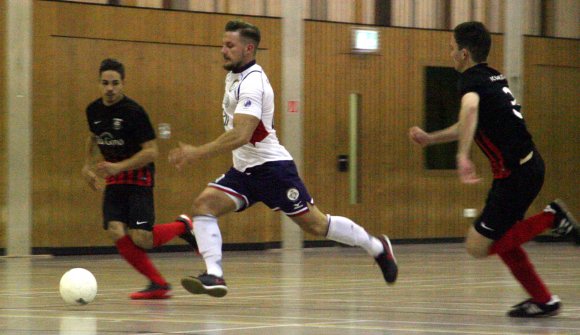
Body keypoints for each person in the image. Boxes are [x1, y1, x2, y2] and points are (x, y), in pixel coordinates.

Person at [168, 20, 398, 298]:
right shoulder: (234, 76)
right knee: (203, 205)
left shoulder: (254, 83)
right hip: (243, 171)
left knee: (316, 224)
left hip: (272, 170)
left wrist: (197, 152)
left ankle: (376, 247)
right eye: (223, 45)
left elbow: (242, 134)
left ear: (248, 48)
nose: (223, 50)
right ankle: (214, 275)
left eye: (230, 45)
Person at [409, 22, 578, 318]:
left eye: (451, 49)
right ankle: (543, 300)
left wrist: (462, 155)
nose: (450, 54)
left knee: (477, 246)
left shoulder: (470, 81)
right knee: (503, 239)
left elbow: (470, 110)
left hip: (516, 176)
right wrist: (431, 139)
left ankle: (552, 218)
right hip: (525, 168)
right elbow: (468, 124)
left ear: (463, 53)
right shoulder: (491, 76)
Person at [82, 58, 198, 300]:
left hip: (138, 178)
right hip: (115, 180)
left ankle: (183, 226)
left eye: (115, 83)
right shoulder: (93, 110)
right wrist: (86, 166)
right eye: (105, 83)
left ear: (123, 84)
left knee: (142, 238)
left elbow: (151, 151)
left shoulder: (134, 112)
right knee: (115, 229)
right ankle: (158, 284)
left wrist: (119, 166)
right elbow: (93, 137)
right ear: (99, 84)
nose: (110, 88)